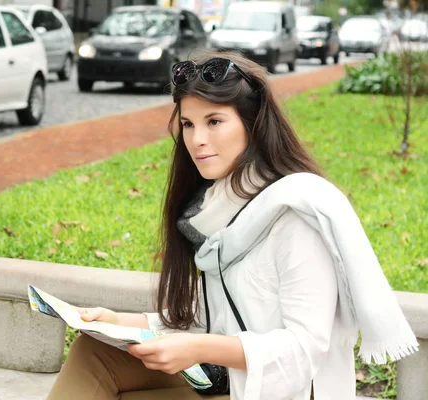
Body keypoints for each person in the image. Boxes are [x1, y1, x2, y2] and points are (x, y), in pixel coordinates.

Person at [46, 52, 418, 400]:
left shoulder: (295, 214)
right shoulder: (213, 208)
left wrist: (198, 348)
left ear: (252, 125)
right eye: (189, 124)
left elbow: (306, 350)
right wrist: (118, 321)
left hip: (283, 392)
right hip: (227, 382)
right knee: (94, 353)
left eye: (215, 122)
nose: (197, 140)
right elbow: (213, 318)